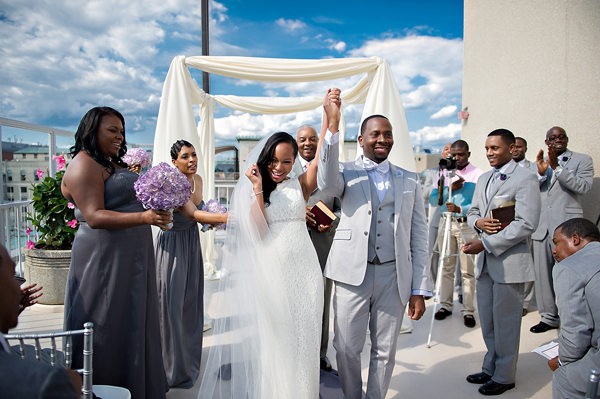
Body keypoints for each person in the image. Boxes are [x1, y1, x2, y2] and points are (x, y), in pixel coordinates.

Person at [198, 89, 341, 399]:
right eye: (275, 161)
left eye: (287, 161)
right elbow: (259, 231)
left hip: (305, 273)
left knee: (305, 338)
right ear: (265, 159)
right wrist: (259, 188)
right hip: (273, 274)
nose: (280, 167)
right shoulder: (255, 188)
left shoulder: (301, 184)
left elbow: (319, 158)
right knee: (279, 341)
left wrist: (329, 116)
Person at [317, 110, 431, 399]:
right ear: (361, 140)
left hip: (394, 275)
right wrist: (332, 126)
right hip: (351, 273)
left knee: (385, 349)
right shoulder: (344, 172)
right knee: (345, 347)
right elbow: (326, 183)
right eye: (376, 134)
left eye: (388, 134)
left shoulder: (410, 179)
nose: (383, 139)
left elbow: (419, 235)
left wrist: (419, 288)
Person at [61, 107, 171, 399]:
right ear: (92, 130)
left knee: (132, 321)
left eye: (121, 131)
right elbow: (95, 216)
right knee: (106, 323)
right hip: (103, 259)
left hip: (129, 257)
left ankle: (136, 387)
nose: (120, 136)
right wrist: (145, 218)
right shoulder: (83, 164)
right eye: (112, 130)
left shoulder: (109, 162)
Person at [463, 128, 541, 396]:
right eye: (487, 149)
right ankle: (491, 367)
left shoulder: (526, 178)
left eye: (495, 148)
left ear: (512, 148)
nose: (489, 153)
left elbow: (527, 223)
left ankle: (505, 376)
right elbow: (473, 211)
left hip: (509, 263)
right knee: (489, 321)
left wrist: (485, 242)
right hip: (486, 263)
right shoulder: (484, 178)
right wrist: (478, 222)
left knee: (506, 323)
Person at [155, 140, 229, 388]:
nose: (191, 160)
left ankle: (188, 361)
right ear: (174, 162)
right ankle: (169, 368)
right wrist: (227, 217)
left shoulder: (197, 181)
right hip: (173, 246)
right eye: (185, 157)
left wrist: (211, 221)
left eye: (194, 155)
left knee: (190, 304)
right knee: (171, 307)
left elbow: (199, 212)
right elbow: (192, 213)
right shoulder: (172, 183)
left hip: (190, 244)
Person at [530, 126, 594, 333]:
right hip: (542, 226)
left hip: (567, 228)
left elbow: (583, 187)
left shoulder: (582, 160)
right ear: (546, 141)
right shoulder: (537, 163)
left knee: (570, 273)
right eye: (552, 138)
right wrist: (540, 174)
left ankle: (571, 318)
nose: (557, 140)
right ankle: (548, 317)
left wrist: (557, 168)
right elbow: (530, 190)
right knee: (542, 275)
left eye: (561, 137)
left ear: (567, 139)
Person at [0, 244, 82, 399]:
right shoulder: (47, 385)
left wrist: (9, 313)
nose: (19, 287)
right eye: (13, 274)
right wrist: (70, 389)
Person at [296, 125, 341, 372]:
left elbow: (346, 209)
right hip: (294, 249)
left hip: (324, 248)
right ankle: (296, 350)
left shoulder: (333, 171)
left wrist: (334, 221)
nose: (308, 143)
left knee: (322, 303)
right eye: (302, 139)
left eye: (313, 139)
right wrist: (295, 212)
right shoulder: (285, 170)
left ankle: (320, 354)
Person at [431, 140, 484, 328]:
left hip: (466, 225)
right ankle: (445, 304)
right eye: (453, 155)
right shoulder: (445, 173)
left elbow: (482, 205)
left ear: (468, 154)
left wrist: (461, 208)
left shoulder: (478, 175)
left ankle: (468, 309)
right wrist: (450, 189)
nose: (456, 158)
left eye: (461, 154)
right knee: (446, 266)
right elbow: (433, 200)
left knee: (467, 269)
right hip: (446, 223)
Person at [546, 218, 600, 398]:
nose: (554, 250)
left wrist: (562, 362)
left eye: (556, 242)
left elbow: (575, 334)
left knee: (564, 377)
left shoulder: (568, 267)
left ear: (575, 239)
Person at [423, 142, 452, 285]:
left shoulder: (459, 172)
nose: (449, 152)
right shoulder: (433, 172)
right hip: (435, 218)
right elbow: (424, 193)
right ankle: (431, 284)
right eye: (446, 149)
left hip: (452, 219)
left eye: (452, 149)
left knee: (451, 255)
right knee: (431, 254)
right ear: (442, 153)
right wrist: (439, 184)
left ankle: (455, 287)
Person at [513, 136, 536, 316]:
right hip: (507, 225)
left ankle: (524, 302)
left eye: (519, 147)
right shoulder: (498, 172)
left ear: (525, 148)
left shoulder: (534, 170)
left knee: (527, 262)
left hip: (526, 223)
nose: (515, 150)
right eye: (513, 147)